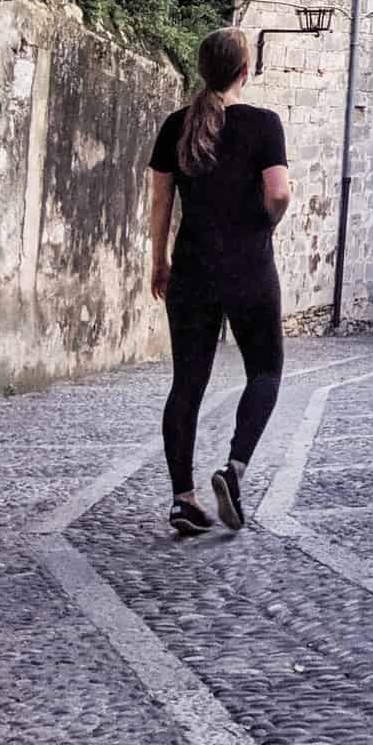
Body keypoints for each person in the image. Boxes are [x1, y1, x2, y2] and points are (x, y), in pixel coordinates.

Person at [147, 27, 292, 537]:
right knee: (266, 370)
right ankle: (234, 469)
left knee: (187, 381)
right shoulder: (264, 124)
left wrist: (158, 261)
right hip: (249, 266)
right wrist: (266, 222)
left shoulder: (175, 126)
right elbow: (279, 193)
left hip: (191, 268)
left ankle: (182, 499)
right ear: (245, 71)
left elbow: (161, 202)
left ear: (203, 68)